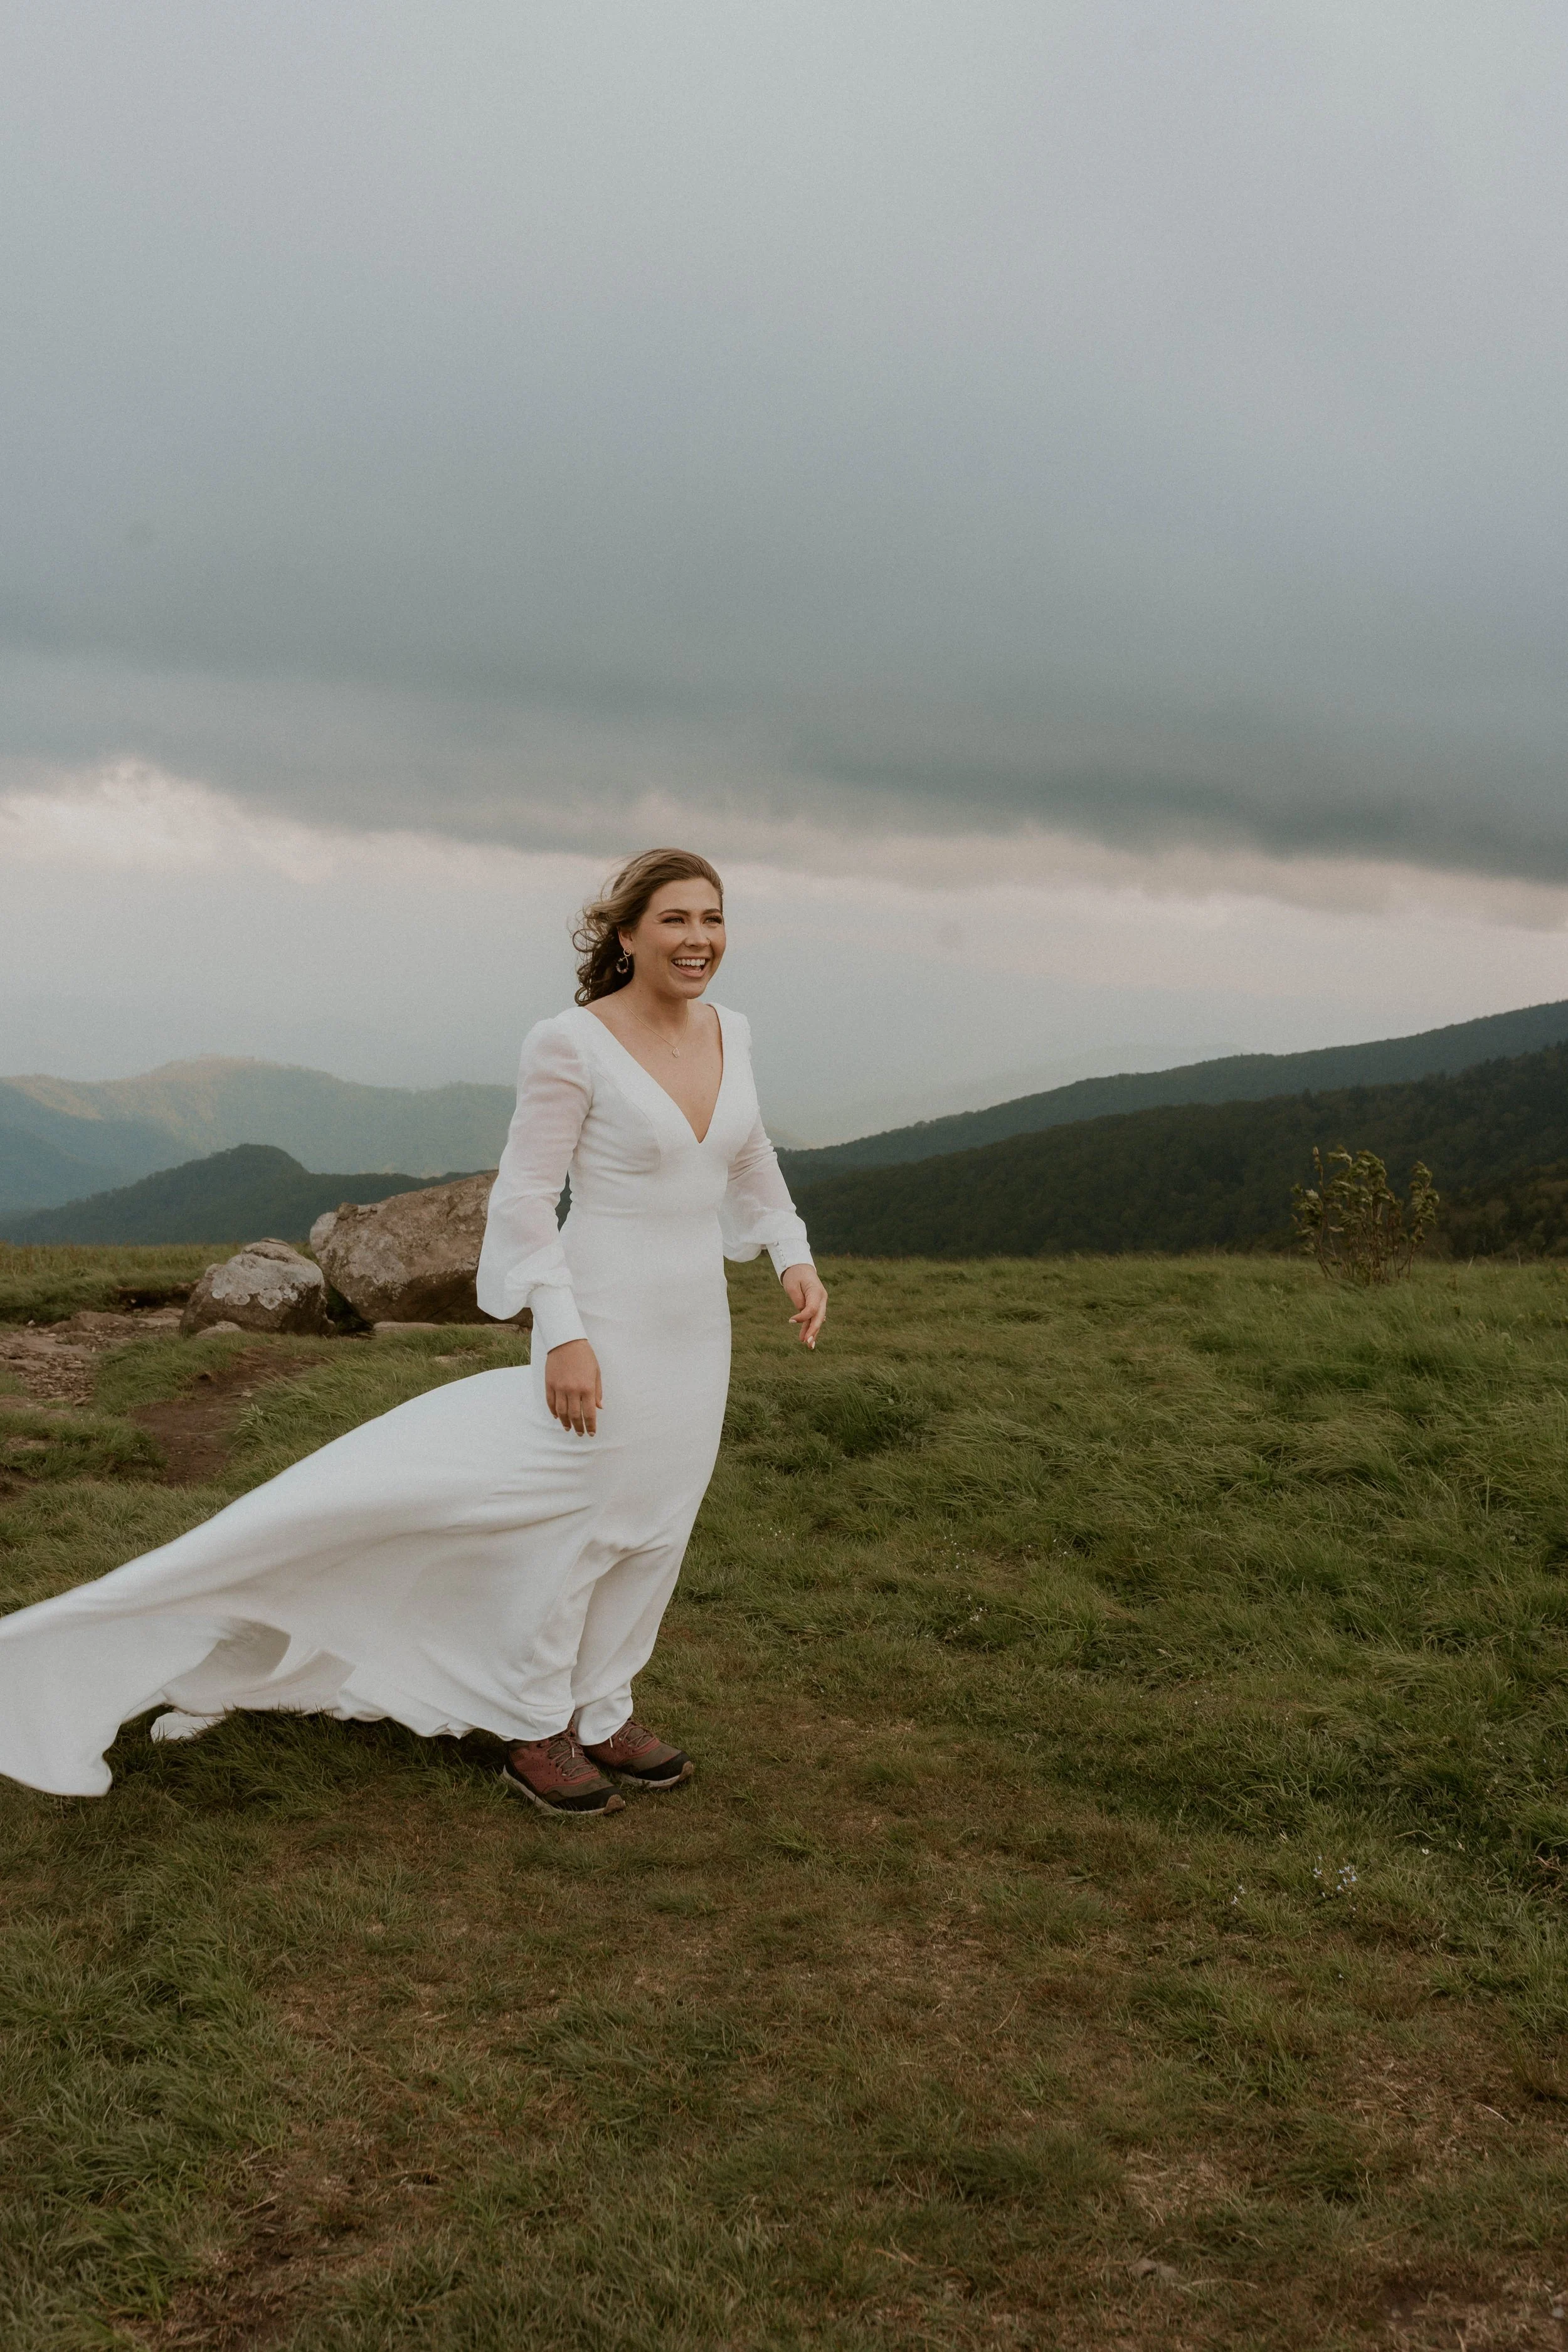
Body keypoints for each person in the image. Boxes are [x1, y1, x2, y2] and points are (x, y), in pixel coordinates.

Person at [0, 847, 827, 1816]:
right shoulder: (573, 1043)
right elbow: (523, 1197)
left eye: (714, 918)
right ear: (628, 933)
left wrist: (790, 1252)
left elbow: (752, 1150)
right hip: (604, 1311)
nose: (700, 939)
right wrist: (560, 1331)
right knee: (581, 1517)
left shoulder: (733, 1031)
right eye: (677, 920)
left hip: (697, 1322)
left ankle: (605, 1707)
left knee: (659, 1522)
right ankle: (534, 1723)